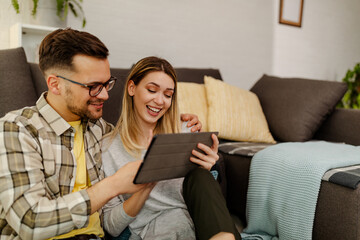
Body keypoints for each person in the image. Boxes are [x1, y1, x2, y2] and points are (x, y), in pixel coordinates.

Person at [0, 28, 201, 240]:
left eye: (106, 84)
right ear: (55, 84)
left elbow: (136, 135)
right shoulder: (18, 129)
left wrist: (178, 122)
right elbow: (30, 222)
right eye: (94, 86)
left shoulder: (100, 129)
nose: (105, 95)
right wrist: (112, 185)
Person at [102, 56, 241, 240]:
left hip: (204, 228)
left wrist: (209, 169)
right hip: (155, 233)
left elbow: (207, 197)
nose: (160, 101)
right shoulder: (107, 149)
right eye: (152, 90)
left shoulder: (185, 130)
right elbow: (111, 226)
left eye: (168, 95)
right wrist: (147, 183)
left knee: (200, 175)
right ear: (132, 88)